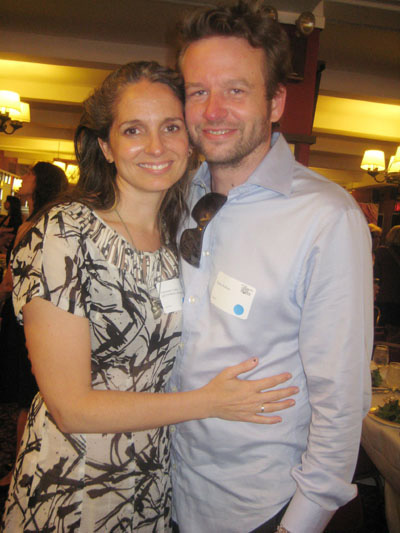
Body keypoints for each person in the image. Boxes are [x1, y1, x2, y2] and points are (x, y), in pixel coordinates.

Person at [1, 61, 297, 532]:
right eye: (134, 129)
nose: (156, 147)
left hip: (154, 477)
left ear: (189, 139)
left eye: (171, 127)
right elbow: (71, 407)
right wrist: (209, 402)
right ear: (105, 145)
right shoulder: (65, 232)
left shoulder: (178, 234)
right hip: (78, 481)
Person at [168, 1, 374, 532]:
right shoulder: (171, 199)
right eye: (198, 91)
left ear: (276, 101)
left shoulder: (325, 217)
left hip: (265, 505)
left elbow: (341, 397)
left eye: (235, 90)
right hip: (171, 489)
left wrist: (299, 524)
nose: (213, 110)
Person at [0, 162, 68, 489]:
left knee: (30, 394)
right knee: (24, 394)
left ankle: (21, 470)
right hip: (21, 313)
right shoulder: (34, 219)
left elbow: (21, 278)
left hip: (30, 316)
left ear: (40, 181)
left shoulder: (43, 222)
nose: (23, 178)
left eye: (29, 173)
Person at [374, 225, 400, 334]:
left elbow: (376, 274)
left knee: (382, 332)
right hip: (397, 299)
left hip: (384, 298)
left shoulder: (382, 252)